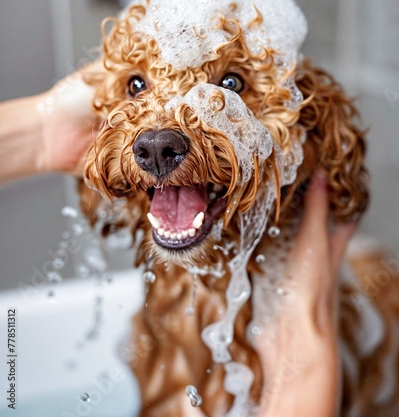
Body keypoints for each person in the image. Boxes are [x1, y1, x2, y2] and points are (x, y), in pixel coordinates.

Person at [0, 68, 355, 416]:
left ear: (311, 124)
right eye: (138, 85)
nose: (157, 138)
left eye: (231, 83)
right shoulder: (149, 337)